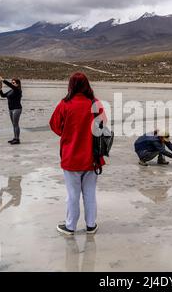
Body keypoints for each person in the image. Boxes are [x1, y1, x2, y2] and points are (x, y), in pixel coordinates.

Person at [50, 72, 106, 236]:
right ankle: (90, 225)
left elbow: (54, 125)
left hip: (71, 156)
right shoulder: (95, 103)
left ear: (71, 85)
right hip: (92, 157)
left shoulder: (65, 104)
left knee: (73, 195)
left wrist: (67, 134)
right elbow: (103, 125)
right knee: (90, 193)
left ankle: (70, 226)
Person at [0, 76, 23, 145]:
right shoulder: (11, 90)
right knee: (14, 124)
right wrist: (0, 87)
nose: (12, 83)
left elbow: (10, 85)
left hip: (17, 109)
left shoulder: (17, 90)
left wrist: (3, 80)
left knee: (16, 124)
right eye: (12, 82)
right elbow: (3, 95)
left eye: (13, 82)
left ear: (17, 84)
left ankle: (17, 139)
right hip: (11, 109)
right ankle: (15, 138)